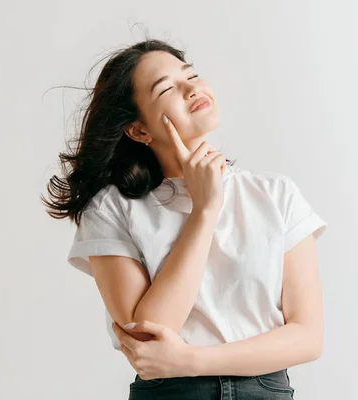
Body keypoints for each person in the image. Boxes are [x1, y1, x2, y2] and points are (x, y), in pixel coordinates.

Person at [42, 38, 328, 399]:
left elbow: (307, 337)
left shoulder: (276, 195)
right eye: (167, 88)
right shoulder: (112, 209)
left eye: (191, 75)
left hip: (264, 390)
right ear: (139, 130)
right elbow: (148, 336)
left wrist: (191, 360)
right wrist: (204, 211)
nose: (191, 88)